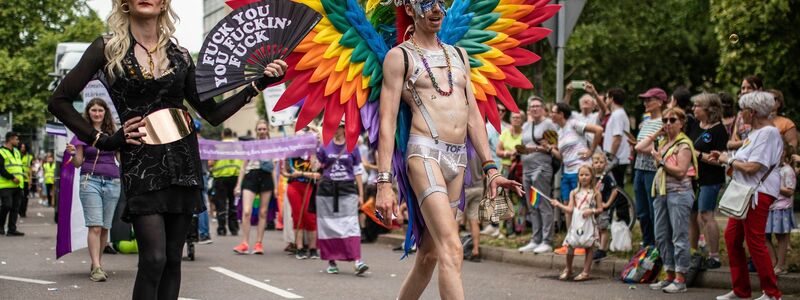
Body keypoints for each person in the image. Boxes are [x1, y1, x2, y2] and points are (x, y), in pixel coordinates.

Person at [47, 0, 287, 297]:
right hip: (142, 165)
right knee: (154, 259)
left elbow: (211, 114)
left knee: (173, 261)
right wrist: (105, 140)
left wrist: (258, 84)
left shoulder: (181, 56)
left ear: (164, 4)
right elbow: (59, 100)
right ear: (124, 3)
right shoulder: (107, 49)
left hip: (184, 165)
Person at [375, 1, 523, 298]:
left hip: (458, 158)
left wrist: (491, 168)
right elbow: (387, 123)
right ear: (409, 9)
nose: (436, 9)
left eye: (441, 2)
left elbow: (472, 115)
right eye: (426, 2)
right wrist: (383, 183)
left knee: (430, 255)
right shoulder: (399, 57)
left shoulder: (458, 55)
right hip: (424, 154)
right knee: (452, 248)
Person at [713, 91, 782, 300]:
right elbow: (743, 161)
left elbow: (753, 167)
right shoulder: (753, 134)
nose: (740, 115)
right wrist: (724, 158)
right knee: (732, 238)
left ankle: (771, 293)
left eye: (742, 110)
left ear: (752, 112)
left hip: (757, 194)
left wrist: (729, 160)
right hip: (747, 194)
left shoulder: (768, 133)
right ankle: (741, 289)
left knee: (755, 241)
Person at [636, 107, 698, 293]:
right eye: (665, 120)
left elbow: (680, 172)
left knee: (679, 236)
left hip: (679, 193)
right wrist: (658, 131)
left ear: (682, 123)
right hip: (662, 193)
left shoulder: (684, 145)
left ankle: (680, 278)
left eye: (672, 120)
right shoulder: (663, 142)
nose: (668, 123)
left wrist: (661, 161)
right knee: (662, 236)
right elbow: (639, 147)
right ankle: (669, 275)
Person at [65, 98, 122, 281]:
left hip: (113, 181)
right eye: (93, 110)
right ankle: (97, 267)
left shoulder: (114, 133)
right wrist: (73, 154)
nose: (97, 113)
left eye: (100, 110)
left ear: (105, 112)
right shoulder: (82, 133)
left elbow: (121, 159)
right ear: (88, 113)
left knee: (105, 227)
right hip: (90, 181)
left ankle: (97, 262)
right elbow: (78, 163)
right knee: (95, 226)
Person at [550, 102, 604, 255]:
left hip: (580, 171)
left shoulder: (573, 124)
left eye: (554, 112)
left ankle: (584, 242)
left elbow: (598, 130)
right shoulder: (559, 131)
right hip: (566, 172)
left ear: (561, 114)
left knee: (581, 208)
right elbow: (562, 156)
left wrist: (591, 151)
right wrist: (551, 149)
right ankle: (571, 242)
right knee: (568, 208)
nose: (551, 114)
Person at [317, 123, 368, 275]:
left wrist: (361, 194)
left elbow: (358, 170)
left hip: (347, 189)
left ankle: (357, 260)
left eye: (340, 126)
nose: (337, 128)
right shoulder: (324, 146)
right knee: (328, 226)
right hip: (327, 190)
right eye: (336, 125)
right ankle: (331, 261)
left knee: (351, 224)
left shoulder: (353, 147)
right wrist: (313, 154)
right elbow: (316, 167)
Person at [688, 93, 728, 269]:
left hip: (710, 178)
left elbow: (720, 159)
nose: (693, 109)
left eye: (697, 105)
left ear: (708, 109)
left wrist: (696, 154)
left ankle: (714, 256)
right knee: (692, 214)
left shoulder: (719, 130)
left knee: (706, 214)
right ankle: (693, 251)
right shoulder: (696, 125)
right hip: (694, 177)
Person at [516, 96, 559, 254]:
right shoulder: (527, 125)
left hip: (541, 169)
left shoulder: (548, 124)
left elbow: (553, 147)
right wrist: (521, 150)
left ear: (542, 108)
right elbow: (524, 143)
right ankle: (536, 239)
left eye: (537, 106)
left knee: (543, 204)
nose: (534, 108)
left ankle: (547, 241)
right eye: (532, 106)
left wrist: (533, 149)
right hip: (527, 169)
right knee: (532, 205)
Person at [549, 165, 601, 281]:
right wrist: (558, 204)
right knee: (570, 246)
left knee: (589, 247)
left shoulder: (595, 193)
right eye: (581, 175)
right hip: (576, 222)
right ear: (578, 177)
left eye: (586, 175)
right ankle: (568, 269)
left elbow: (600, 209)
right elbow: (570, 209)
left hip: (589, 223)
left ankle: (586, 272)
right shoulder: (574, 192)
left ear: (592, 177)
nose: (583, 177)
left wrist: (591, 211)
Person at [232, 120, 276, 255]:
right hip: (251, 177)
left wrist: (275, 186)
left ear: (268, 130)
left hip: (266, 177)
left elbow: (274, 167)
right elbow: (243, 166)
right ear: (256, 130)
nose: (262, 131)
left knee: (263, 212)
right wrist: (238, 185)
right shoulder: (250, 145)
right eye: (259, 129)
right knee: (246, 211)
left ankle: (259, 243)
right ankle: (245, 242)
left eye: (264, 129)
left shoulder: (273, 146)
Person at [633, 88, 666, 247]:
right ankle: (647, 243)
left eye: (649, 100)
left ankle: (657, 244)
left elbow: (659, 146)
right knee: (642, 210)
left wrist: (641, 147)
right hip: (639, 167)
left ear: (660, 102)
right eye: (644, 100)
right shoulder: (645, 122)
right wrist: (640, 146)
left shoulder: (663, 122)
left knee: (654, 209)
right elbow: (644, 145)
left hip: (652, 169)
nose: (645, 103)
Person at [282, 150, 320, 260]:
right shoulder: (291, 154)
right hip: (294, 186)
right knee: (297, 216)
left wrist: (312, 156)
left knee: (310, 217)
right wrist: (290, 173)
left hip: (309, 187)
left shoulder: (314, 153)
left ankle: (313, 248)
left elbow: (317, 173)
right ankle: (299, 248)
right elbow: (284, 172)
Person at [766, 144, 795, 276]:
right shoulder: (771, 169)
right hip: (769, 206)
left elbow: (789, 191)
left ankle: (781, 265)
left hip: (781, 208)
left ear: (784, 153)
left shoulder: (787, 170)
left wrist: (775, 185)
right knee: (763, 235)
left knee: (781, 237)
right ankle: (773, 261)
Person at [496, 111, 525, 239]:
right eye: (514, 117)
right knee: (504, 198)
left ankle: (518, 229)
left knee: (518, 198)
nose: (516, 119)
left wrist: (519, 152)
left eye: (518, 118)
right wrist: (509, 153)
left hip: (519, 169)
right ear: (511, 119)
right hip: (506, 169)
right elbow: (498, 151)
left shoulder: (525, 132)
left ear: (522, 120)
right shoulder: (505, 132)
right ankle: (505, 230)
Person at [210, 128, 243, 237]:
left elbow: (211, 162)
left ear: (223, 134)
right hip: (235, 177)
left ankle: (221, 229)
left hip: (221, 178)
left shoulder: (217, 146)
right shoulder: (238, 146)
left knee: (221, 204)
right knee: (233, 203)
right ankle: (234, 228)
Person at [591, 152, 619, 261]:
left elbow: (615, 191)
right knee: (596, 227)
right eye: (596, 162)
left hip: (603, 207)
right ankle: (598, 247)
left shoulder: (607, 177)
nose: (598, 165)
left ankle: (602, 250)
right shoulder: (592, 177)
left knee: (603, 228)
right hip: (594, 208)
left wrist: (607, 204)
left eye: (601, 162)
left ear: (606, 164)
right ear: (592, 164)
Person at [728, 75, 764, 150]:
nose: (745, 91)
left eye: (749, 88)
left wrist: (742, 143)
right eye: (743, 88)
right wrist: (749, 141)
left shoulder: (764, 112)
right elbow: (730, 144)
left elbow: (763, 141)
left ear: (760, 90)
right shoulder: (740, 114)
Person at [0, 132, 24, 236]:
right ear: (10, 139)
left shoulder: (17, 152)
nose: (18, 141)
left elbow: (18, 166)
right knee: (7, 206)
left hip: (18, 185)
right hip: (5, 185)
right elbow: (1, 169)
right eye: (16, 139)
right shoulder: (1, 152)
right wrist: (12, 178)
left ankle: (12, 229)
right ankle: (0, 226)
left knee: (15, 208)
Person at [18, 143, 33, 218]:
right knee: (19, 197)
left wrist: (30, 179)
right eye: (21, 147)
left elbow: (30, 169)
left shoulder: (29, 157)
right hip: (18, 180)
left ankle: (23, 212)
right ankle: (19, 211)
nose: (22, 148)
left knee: (25, 197)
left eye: (24, 147)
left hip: (26, 180)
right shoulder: (16, 155)